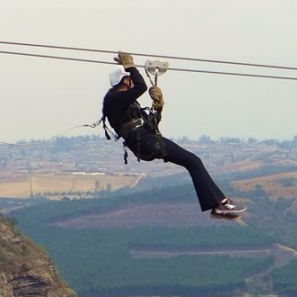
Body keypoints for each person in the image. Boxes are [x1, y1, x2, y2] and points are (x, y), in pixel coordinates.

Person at [102, 51, 245, 220]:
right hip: (148, 142)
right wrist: (131, 66)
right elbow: (141, 87)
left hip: (148, 140)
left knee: (192, 162)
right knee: (193, 161)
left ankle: (218, 205)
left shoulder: (124, 103)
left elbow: (152, 123)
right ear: (126, 80)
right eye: (130, 79)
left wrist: (159, 106)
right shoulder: (113, 99)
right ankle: (219, 205)